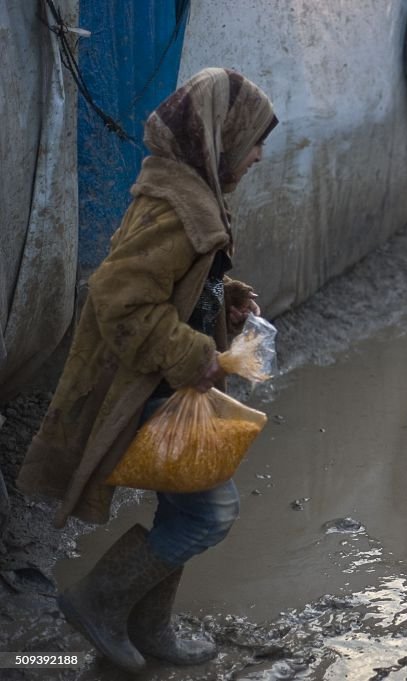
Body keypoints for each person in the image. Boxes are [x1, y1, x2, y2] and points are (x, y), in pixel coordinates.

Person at [16, 68, 277, 671]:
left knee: (182, 507)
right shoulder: (177, 206)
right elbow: (120, 297)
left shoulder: (190, 190)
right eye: (256, 138)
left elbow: (169, 282)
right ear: (223, 133)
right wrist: (197, 354)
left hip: (163, 383)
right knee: (212, 513)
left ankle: (150, 626)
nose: (260, 153)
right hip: (142, 386)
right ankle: (98, 600)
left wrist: (222, 296)